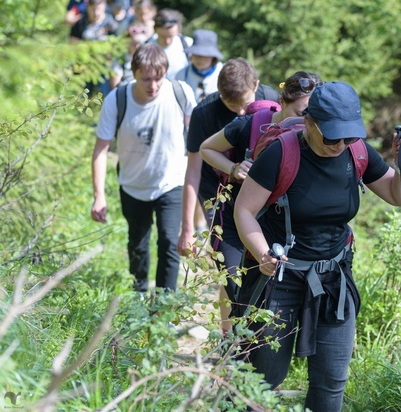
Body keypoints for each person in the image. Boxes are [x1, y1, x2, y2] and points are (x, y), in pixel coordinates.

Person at [233, 81, 401, 412]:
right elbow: (243, 211)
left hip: (334, 279)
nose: (340, 144)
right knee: (261, 381)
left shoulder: (356, 151)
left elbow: (396, 195)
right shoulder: (281, 154)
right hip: (280, 277)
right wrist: (262, 252)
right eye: (332, 136)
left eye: (347, 136)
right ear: (309, 122)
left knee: (331, 383)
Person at [198, 71, 322, 333]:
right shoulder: (251, 124)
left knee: (259, 285)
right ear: (283, 103)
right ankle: (228, 342)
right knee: (232, 281)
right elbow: (206, 148)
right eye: (302, 112)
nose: (307, 120)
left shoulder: (309, 136)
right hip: (232, 215)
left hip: (268, 221)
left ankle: (249, 345)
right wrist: (233, 168)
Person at [176, 58, 280, 317]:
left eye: (244, 102)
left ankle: (246, 334)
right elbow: (193, 171)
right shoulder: (205, 112)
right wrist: (187, 228)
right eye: (230, 105)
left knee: (259, 263)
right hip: (218, 195)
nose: (241, 112)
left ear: (256, 85)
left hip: (260, 194)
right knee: (229, 270)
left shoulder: (273, 101)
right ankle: (227, 334)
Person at [91, 43, 197, 293]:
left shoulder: (181, 93)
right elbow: (100, 150)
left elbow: (196, 143)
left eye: (158, 78)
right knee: (137, 244)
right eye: (146, 79)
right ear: (134, 73)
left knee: (169, 244)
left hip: (171, 183)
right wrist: (99, 196)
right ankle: (138, 299)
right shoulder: (117, 99)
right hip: (132, 184)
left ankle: (163, 309)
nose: (153, 85)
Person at [70, 0, 119, 97]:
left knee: (104, 94)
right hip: (84, 66)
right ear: (88, 8)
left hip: (104, 67)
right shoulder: (81, 23)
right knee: (82, 96)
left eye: (99, 9)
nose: (96, 13)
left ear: (104, 7)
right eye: (93, 10)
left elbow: (116, 48)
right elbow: (73, 44)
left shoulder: (111, 24)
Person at [174, 29, 225, 102]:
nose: (198, 59)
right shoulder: (181, 75)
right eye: (195, 54)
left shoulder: (223, 73)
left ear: (213, 57)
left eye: (203, 55)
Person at [147, 9, 192, 81]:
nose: (167, 41)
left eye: (171, 37)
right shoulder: (146, 46)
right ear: (155, 30)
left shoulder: (187, 43)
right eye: (162, 37)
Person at [110, 22, 151, 89]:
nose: (137, 47)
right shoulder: (120, 60)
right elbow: (115, 86)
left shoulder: (150, 59)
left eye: (141, 43)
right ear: (127, 43)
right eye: (134, 44)